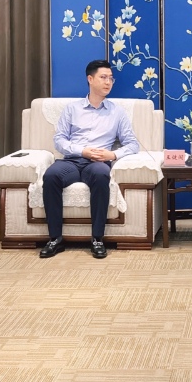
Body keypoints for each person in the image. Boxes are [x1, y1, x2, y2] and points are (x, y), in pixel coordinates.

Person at [40, 60, 140, 260]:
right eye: (103, 77)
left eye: (111, 78)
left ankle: (97, 238)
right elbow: (59, 140)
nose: (108, 82)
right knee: (50, 176)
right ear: (90, 79)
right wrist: (82, 151)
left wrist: (112, 155)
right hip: (72, 160)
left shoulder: (117, 112)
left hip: (98, 163)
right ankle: (55, 239)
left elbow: (132, 144)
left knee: (102, 175)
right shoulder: (72, 109)